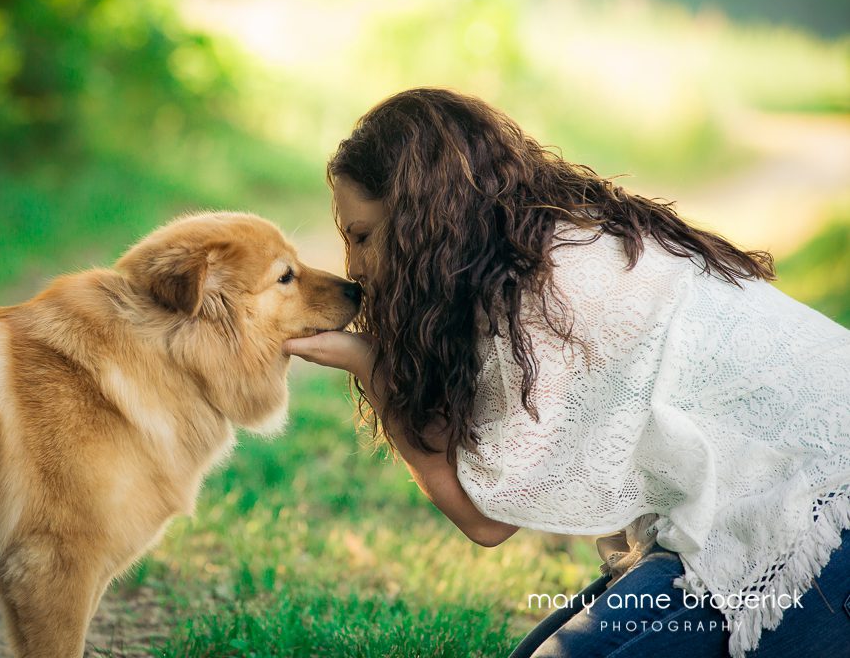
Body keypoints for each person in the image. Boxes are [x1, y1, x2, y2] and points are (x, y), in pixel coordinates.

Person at [282, 87, 850, 658]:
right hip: (776, 498)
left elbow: (485, 522)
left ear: (422, 224)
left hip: (820, 515)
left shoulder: (541, 300)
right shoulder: (538, 249)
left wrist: (369, 364)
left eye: (362, 236)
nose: (353, 267)